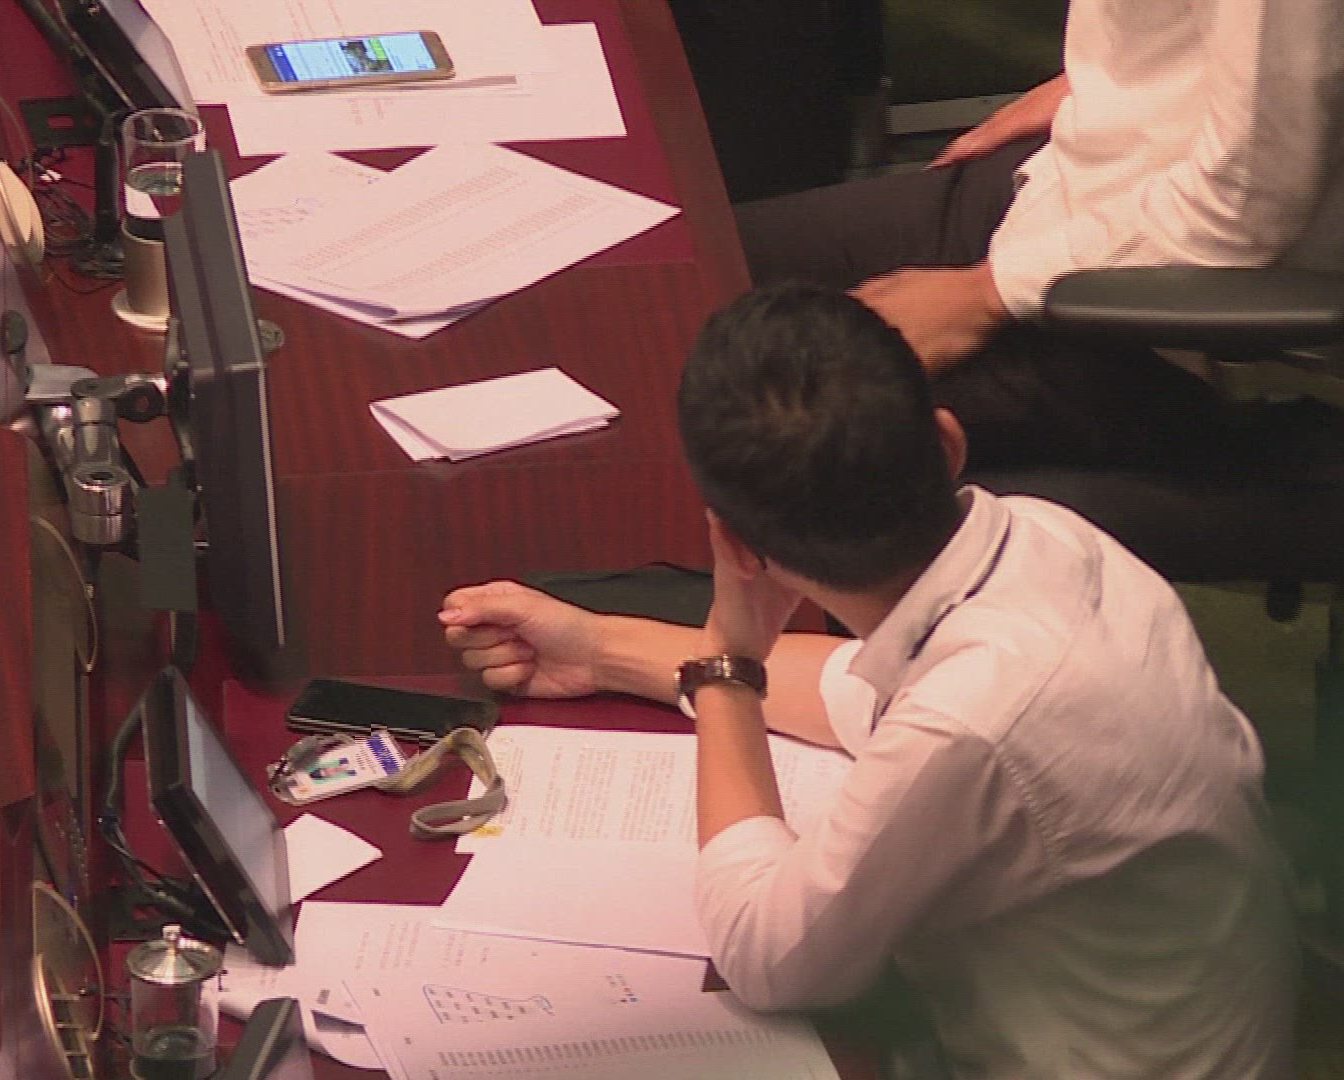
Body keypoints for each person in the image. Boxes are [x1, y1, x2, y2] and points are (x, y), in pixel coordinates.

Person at [439, 283, 1296, 1078]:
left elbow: (767, 955)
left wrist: (727, 660)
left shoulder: (972, 725)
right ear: (948, 443)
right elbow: (854, 691)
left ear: (736, 547)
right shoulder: (1046, 539)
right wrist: (601, 649)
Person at [735, 0, 1344, 471]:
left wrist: (986, 295)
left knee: (757, 423)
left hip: (1182, 330)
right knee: (703, 268)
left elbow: (1247, 210)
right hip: (1079, 185)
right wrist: (1101, 78)